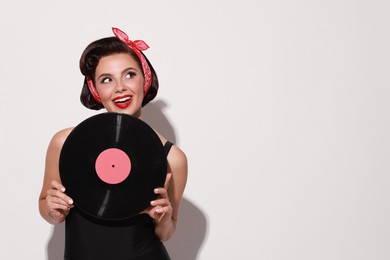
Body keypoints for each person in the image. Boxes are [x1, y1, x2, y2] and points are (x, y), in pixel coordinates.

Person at [38, 27, 188, 260]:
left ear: (145, 79)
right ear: (95, 89)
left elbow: (166, 232)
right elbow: (46, 206)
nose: (120, 87)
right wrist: (53, 210)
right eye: (107, 79)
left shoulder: (173, 157)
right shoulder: (65, 142)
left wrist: (164, 220)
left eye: (130, 74)